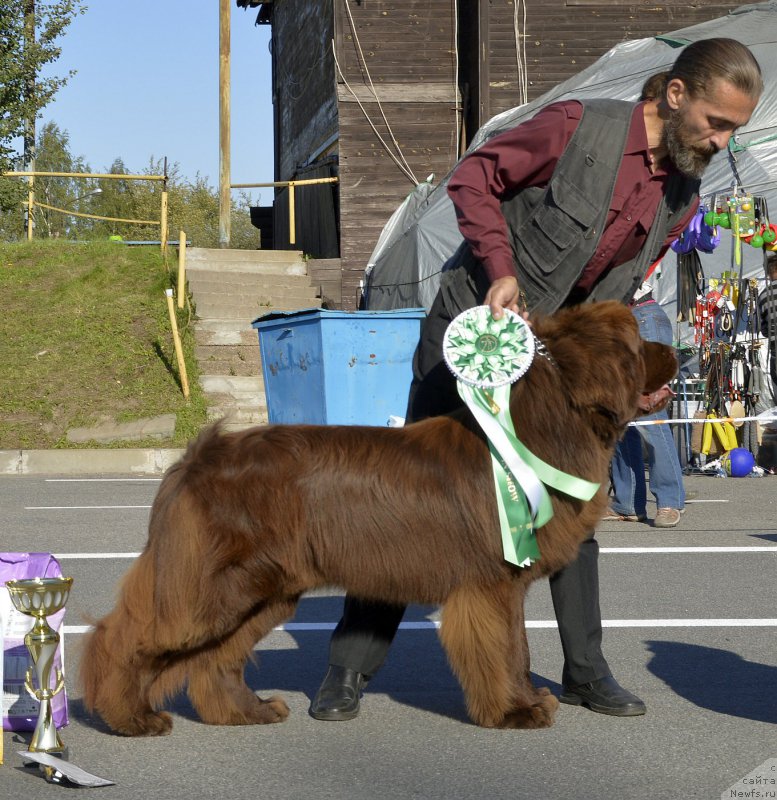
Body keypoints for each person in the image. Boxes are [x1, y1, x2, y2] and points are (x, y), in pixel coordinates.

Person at [309, 38, 762, 722]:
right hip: (472, 338)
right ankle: (348, 670)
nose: (721, 141)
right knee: (410, 501)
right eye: (715, 122)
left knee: (575, 503)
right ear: (673, 94)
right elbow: (472, 180)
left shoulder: (683, 188)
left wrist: (630, 376)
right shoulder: (576, 126)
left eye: (733, 129)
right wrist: (498, 266)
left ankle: (584, 671)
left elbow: (620, 291)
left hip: (550, 372)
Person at [605, 291, 686, 527]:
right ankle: (628, 503)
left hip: (640, 316)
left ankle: (669, 501)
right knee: (622, 415)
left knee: (651, 416)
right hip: (623, 320)